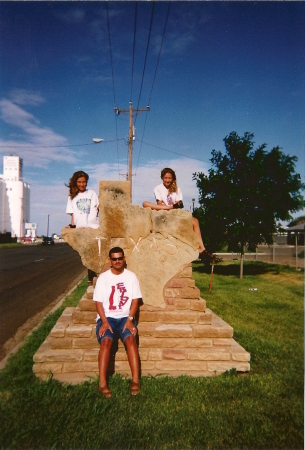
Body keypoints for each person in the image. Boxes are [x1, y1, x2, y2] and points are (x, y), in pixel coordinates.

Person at [93, 246, 142, 398]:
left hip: (124, 318)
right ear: (110, 260)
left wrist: (130, 319)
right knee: (106, 342)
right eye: (114, 259)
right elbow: (98, 303)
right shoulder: (103, 278)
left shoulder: (131, 277)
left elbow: (135, 300)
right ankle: (102, 383)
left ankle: (135, 381)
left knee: (130, 340)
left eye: (120, 258)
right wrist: (105, 322)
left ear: (124, 258)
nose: (117, 261)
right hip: (107, 318)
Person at [142, 167, 210, 258]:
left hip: (174, 213)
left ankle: (201, 248)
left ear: (173, 178)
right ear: (162, 178)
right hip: (163, 212)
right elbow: (159, 204)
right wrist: (171, 206)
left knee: (195, 221)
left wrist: (174, 206)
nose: (167, 180)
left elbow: (180, 205)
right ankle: (170, 207)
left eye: (169, 178)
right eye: (165, 178)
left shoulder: (177, 189)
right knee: (145, 203)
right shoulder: (158, 188)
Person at [66, 170, 99, 283]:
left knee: (94, 252)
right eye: (79, 182)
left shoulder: (92, 193)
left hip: (93, 227)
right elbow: (73, 215)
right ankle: (90, 275)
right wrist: (71, 226)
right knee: (86, 254)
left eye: (84, 182)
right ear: (75, 182)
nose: (82, 184)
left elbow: (98, 207)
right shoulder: (72, 197)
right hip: (81, 229)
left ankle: (92, 276)